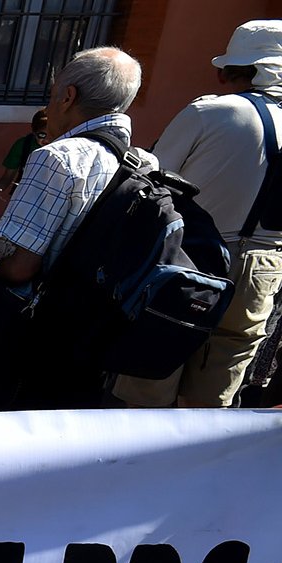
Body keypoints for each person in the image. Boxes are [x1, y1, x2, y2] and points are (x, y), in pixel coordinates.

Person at [115, 21, 282, 408]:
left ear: (237, 69)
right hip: (263, 267)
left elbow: (151, 180)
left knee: (151, 369)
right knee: (220, 382)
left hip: (190, 257)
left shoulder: (211, 112)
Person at [0, 48, 150, 409]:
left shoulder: (56, 157)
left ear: (67, 97)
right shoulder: (144, 163)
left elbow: (19, 266)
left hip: (37, 339)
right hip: (96, 338)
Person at [0, 108, 48, 204]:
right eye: (42, 135)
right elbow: (9, 175)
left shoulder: (63, 146)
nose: (47, 139)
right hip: (26, 193)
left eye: (52, 134)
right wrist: (0, 188)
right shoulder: (24, 145)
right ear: (34, 132)